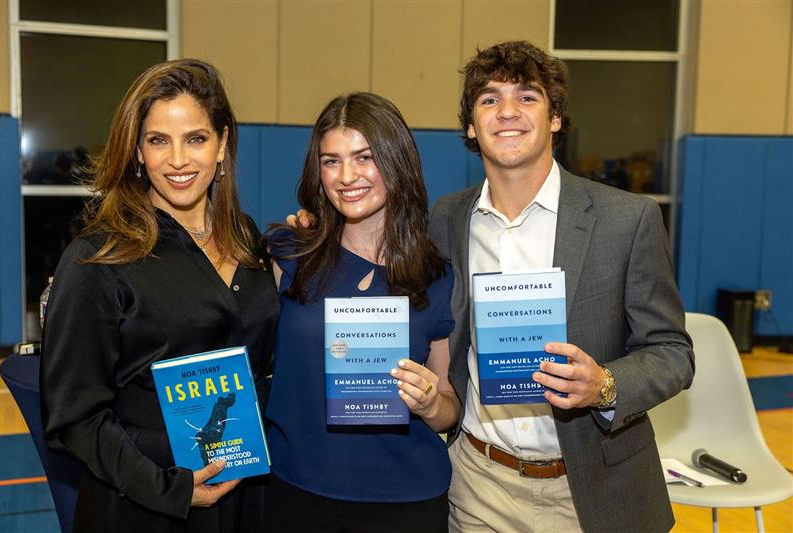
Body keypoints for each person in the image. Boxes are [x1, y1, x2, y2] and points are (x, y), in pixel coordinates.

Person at [428, 41, 695, 532]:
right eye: (489, 99)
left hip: (594, 489)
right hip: (478, 484)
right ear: (470, 126)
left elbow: (673, 352)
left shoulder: (626, 219)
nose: (508, 111)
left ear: (555, 119)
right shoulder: (448, 218)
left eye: (527, 97)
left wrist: (605, 385)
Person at [40, 59, 279, 532]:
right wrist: (168, 487)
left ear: (223, 143)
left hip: (244, 493)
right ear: (137, 151)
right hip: (143, 506)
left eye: (196, 138)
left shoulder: (247, 238)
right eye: (158, 141)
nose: (178, 161)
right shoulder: (99, 257)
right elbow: (74, 417)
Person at [263, 92, 459, 532]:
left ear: (396, 160)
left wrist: (429, 403)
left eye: (364, 157)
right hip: (297, 492)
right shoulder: (287, 254)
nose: (346, 176)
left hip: (406, 501)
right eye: (330, 161)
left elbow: (449, 407)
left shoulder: (437, 276)